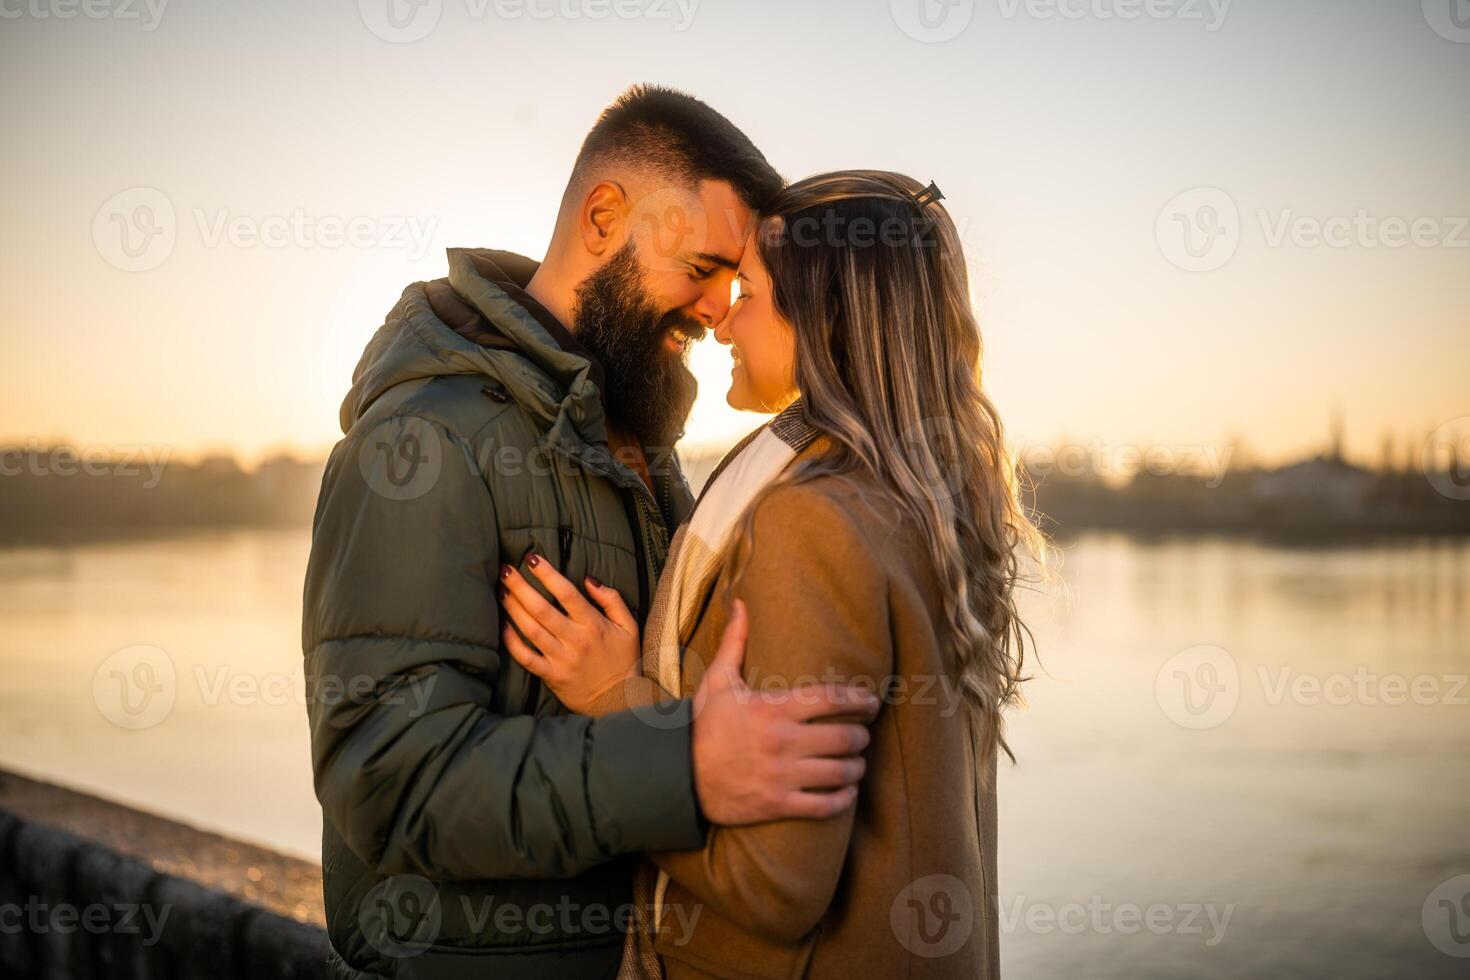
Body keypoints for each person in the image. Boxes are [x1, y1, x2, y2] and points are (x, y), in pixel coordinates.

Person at [302, 89, 879, 980]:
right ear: (607, 216)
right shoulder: (421, 440)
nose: (718, 309)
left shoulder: (643, 437)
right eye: (702, 267)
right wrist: (681, 766)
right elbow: (390, 781)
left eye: (738, 284)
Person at [499, 171, 1044, 978]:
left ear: (822, 320)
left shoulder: (812, 521)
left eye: (747, 289)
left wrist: (618, 700)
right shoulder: (930, 503)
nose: (721, 317)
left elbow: (775, 884)